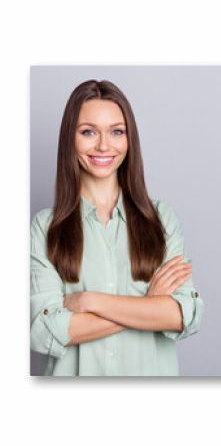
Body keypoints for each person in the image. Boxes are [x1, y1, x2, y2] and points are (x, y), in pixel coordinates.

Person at [30, 79, 205, 376]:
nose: (103, 145)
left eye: (116, 132)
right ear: (70, 138)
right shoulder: (44, 227)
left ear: (129, 139)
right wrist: (147, 305)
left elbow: (182, 315)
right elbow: (46, 330)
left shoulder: (162, 220)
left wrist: (88, 301)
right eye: (88, 132)